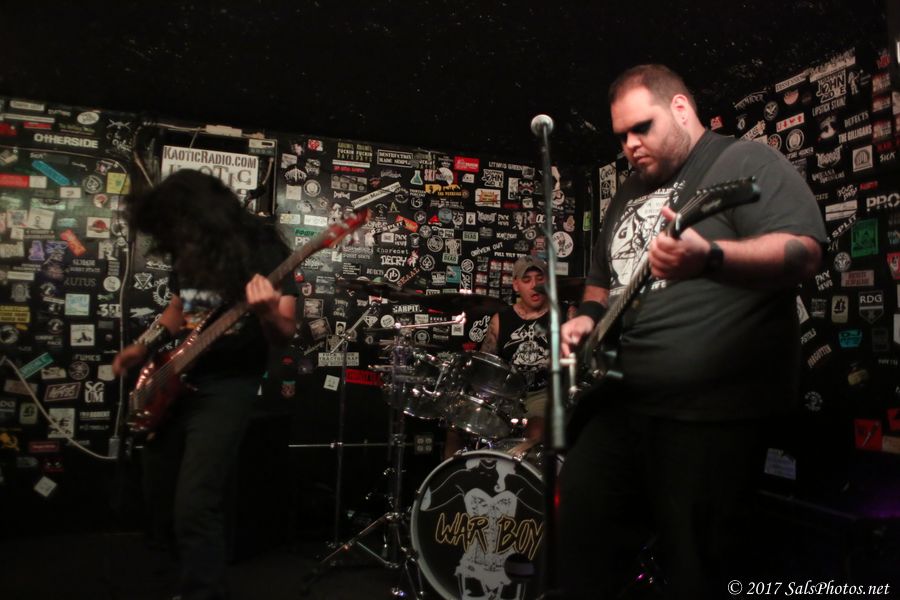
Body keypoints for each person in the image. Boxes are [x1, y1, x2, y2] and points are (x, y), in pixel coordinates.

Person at [558, 64, 825, 599]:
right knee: (579, 543)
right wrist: (587, 316)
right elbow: (600, 280)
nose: (630, 145)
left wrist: (711, 257)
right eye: (622, 136)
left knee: (697, 571)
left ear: (681, 109)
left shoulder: (743, 162)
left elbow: (804, 252)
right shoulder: (627, 193)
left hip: (709, 412)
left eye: (642, 128)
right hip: (622, 400)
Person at [113, 169, 298, 600]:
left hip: (229, 382)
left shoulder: (263, 247)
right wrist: (144, 346)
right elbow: (181, 308)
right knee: (158, 493)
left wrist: (266, 311)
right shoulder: (189, 250)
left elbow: (286, 329)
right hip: (180, 376)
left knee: (195, 502)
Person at [444, 256, 550, 458]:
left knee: (535, 432)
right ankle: (454, 475)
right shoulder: (501, 320)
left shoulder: (563, 316)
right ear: (516, 285)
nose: (534, 286)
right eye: (526, 280)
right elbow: (486, 364)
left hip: (543, 392)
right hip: (507, 392)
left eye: (540, 279)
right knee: (456, 426)